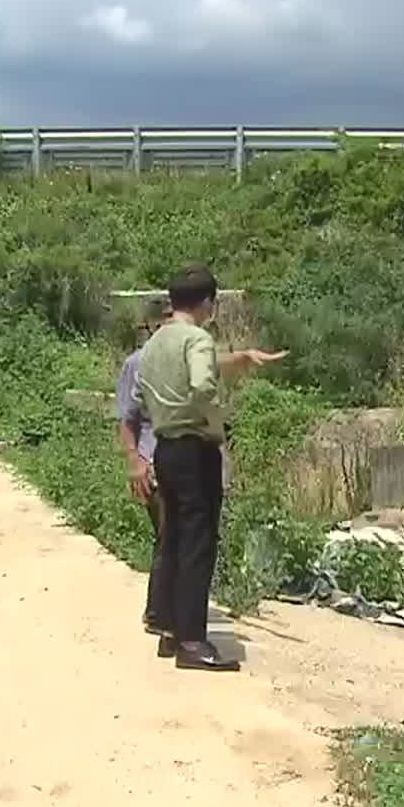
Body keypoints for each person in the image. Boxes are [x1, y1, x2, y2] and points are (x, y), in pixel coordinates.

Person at [135, 265, 286, 671]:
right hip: (194, 448)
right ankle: (193, 642)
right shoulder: (198, 337)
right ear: (207, 304)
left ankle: (169, 630)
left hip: (166, 448)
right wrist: (215, 424)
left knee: (174, 538)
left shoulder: (154, 343)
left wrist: (238, 359)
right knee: (199, 543)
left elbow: (146, 390)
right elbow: (201, 384)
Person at [116, 300, 171, 637]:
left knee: (169, 537)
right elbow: (127, 418)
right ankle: (159, 615)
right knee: (169, 535)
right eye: (163, 321)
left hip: (181, 462)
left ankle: (163, 611)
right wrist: (135, 462)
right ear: (152, 326)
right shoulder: (136, 363)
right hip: (153, 463)